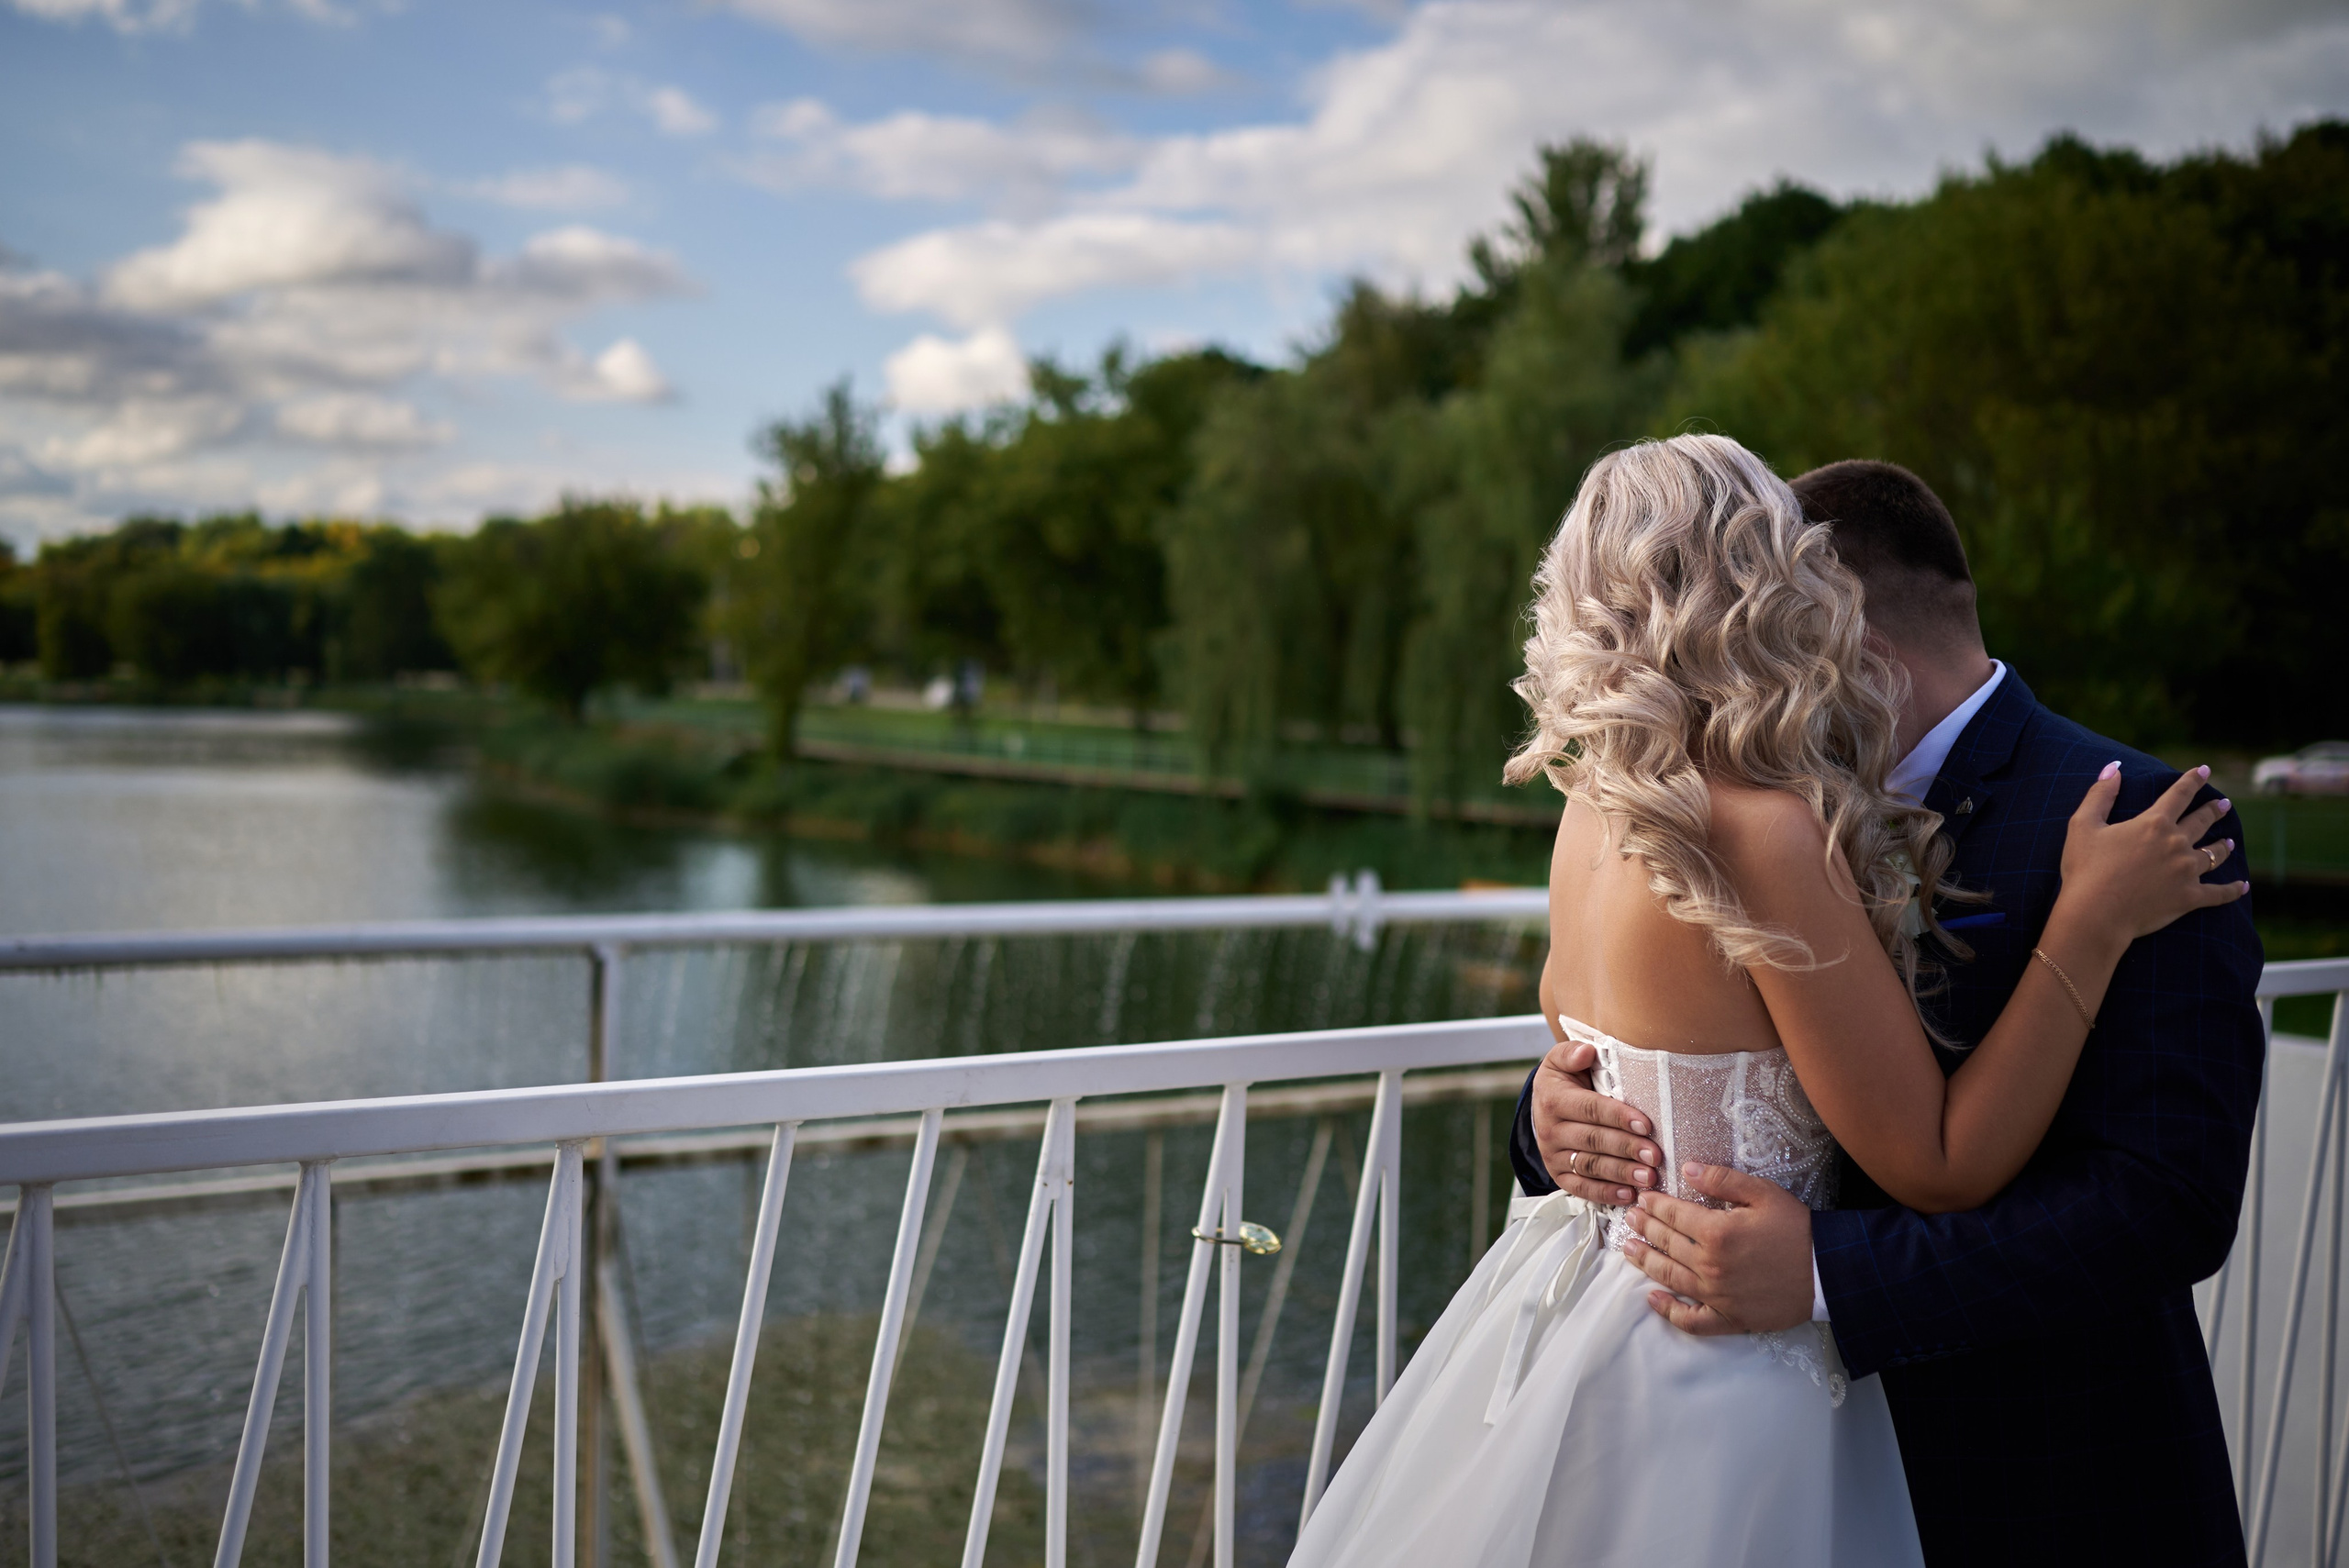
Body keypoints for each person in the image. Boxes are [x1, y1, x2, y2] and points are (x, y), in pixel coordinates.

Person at [1286, 435, 2246, 1568]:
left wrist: (1833, 1277)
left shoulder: (2132, 821)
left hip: (2031, 1476)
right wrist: (1553, 1122)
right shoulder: (1756, 818)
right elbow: (1659, 1071)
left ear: (1858, 639)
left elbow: (2165, 1203)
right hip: (1734, 1420)